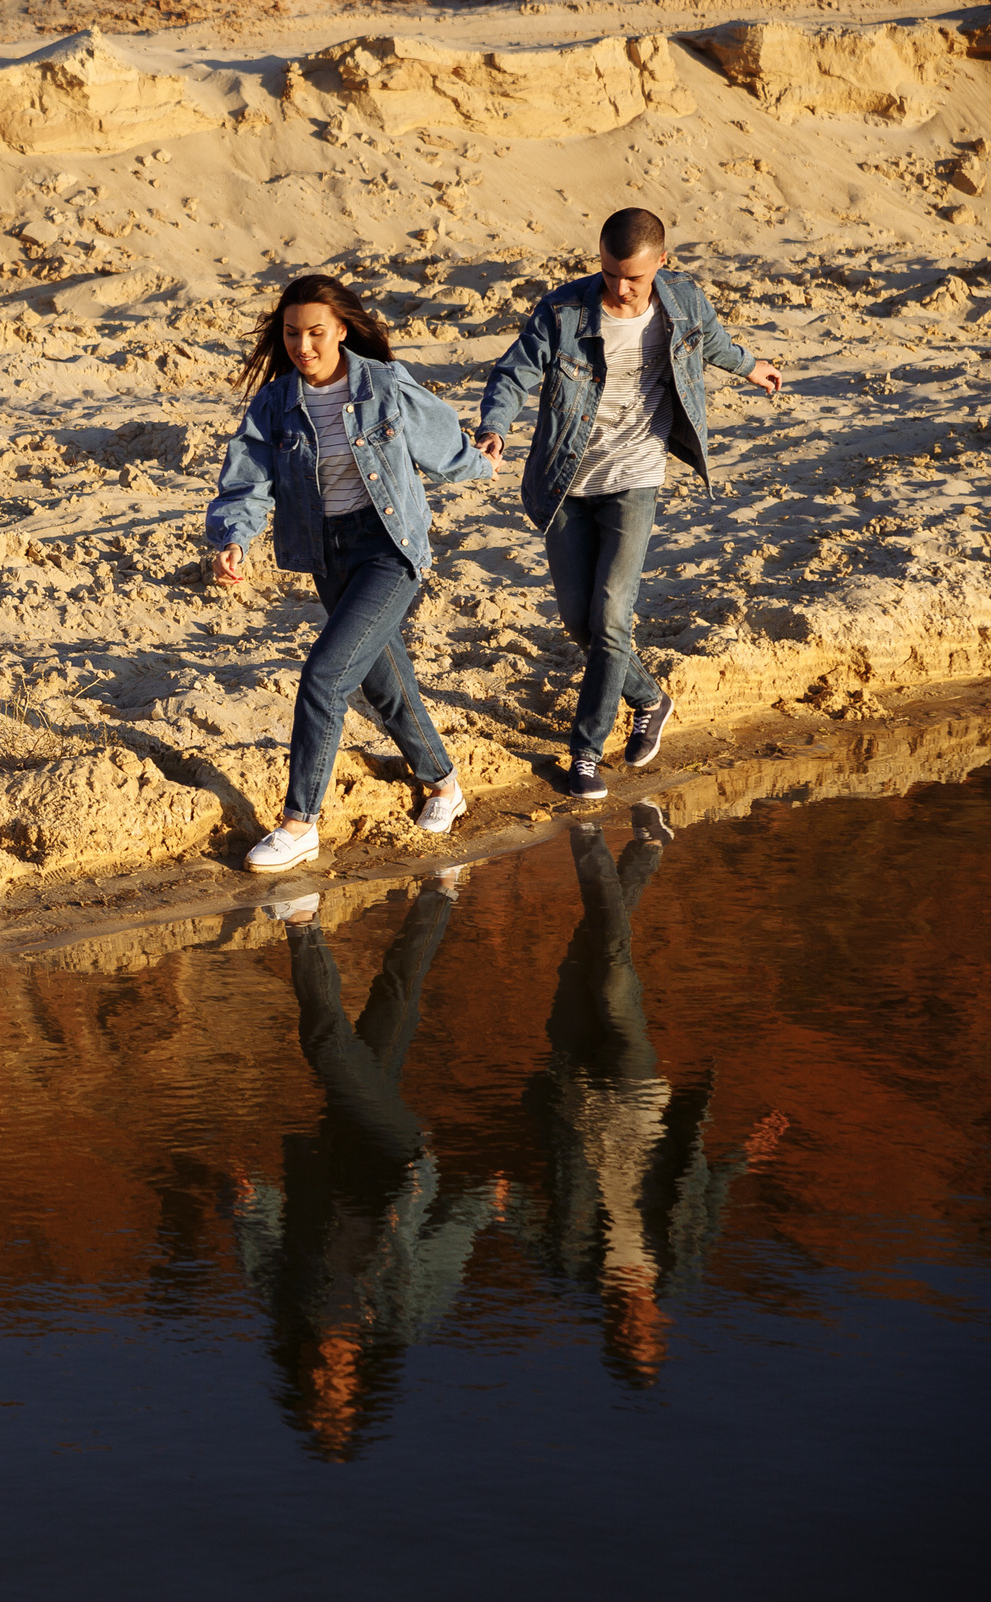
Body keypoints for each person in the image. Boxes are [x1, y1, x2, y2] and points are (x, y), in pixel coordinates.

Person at [474, 208, 784, 801]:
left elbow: (712, 342)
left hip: (636, 477)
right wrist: (495, 427)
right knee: (580, 621)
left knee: (612, 615)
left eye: (634, 278)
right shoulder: (563, 312)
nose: (619, 288)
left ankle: (585, 753)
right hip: (565, 479)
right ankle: (649, 697)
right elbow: (513, 374)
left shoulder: (684, 301)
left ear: (662, 262)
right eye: (610, 273)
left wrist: (751, 367)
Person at [209, 273, 493, 872]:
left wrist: (482, 460)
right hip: (326, 553)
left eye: (316, 332)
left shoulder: (384, 386)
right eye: (292, 334)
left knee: (325, 677)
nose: (302, 346)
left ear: (342, 330)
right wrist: (234, 538)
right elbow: (247, 480)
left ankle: (299, 825)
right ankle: (444, 784)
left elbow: (443, 445)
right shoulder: (275, 403)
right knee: (385, 684)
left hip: (389, 548)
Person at [234, 876, 495, 1459]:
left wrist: (251, 1203)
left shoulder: (290, 1312)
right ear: (360, 1381)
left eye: (314, 1388)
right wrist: (481, 1205)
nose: (323, 1374)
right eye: (337, 1389)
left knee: (396, 1002)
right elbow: (442, 1250)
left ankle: (441, 889)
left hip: (336, 1159)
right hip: (397, 1162)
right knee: (328, 1046)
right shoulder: (403, 1316)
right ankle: (302, 922)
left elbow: (268, 1255)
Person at [518, 808, 751, 1388]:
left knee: (583, 958)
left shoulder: (572, 1269)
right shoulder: (681, 1263)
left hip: (574, 1097)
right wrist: (748, 1154)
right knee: (614, 977)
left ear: (610, 1335)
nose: (632, 1325)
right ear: (660, 1325)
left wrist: (498, 1198)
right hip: (637, 1096)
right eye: (644, 1334)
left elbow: (526, 1221)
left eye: (625, 1338)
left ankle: (647, 847)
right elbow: (708, 1194)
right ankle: (590, 835)